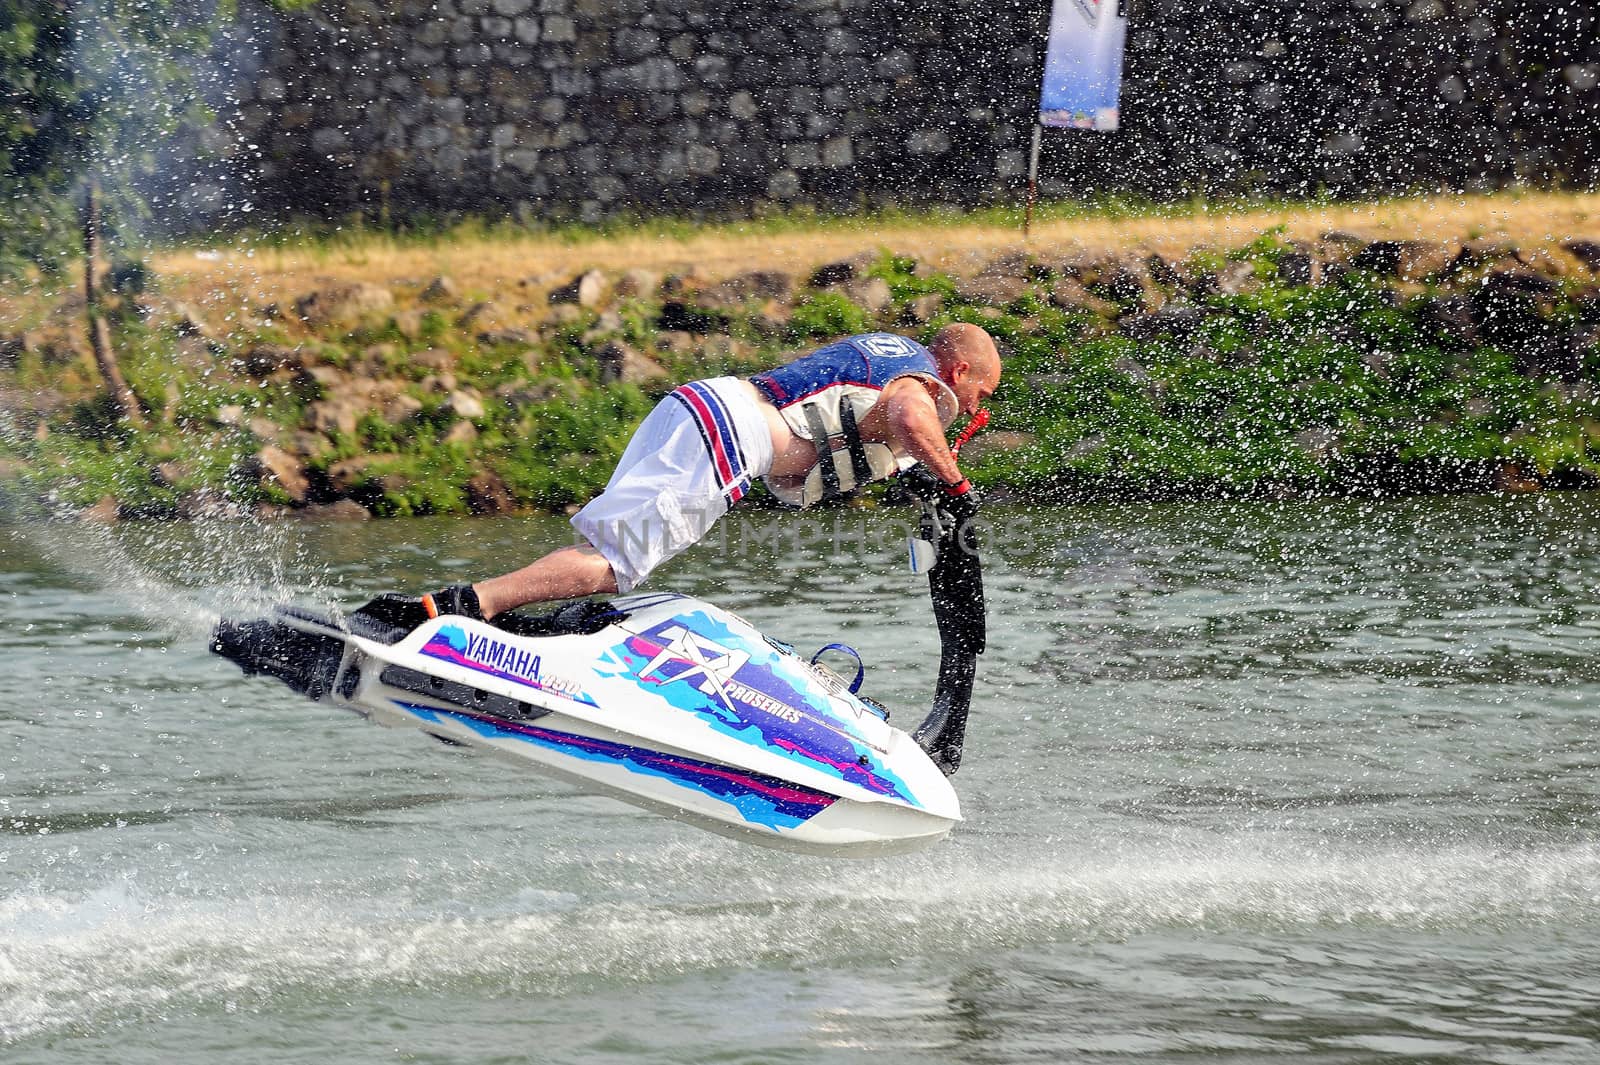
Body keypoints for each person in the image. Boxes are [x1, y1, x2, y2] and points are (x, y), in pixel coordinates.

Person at [392, 323, 1000, 624]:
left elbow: (795, 474)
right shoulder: (924, 384)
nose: (972, 409)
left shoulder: (887, 348)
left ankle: (493, 625)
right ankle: (458, 610)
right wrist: (956, 486)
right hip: (729, 435)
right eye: (980, 392)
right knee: (615, 565)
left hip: (696, 405)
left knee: (607, 548)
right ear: (962, 368)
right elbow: (911, 415)